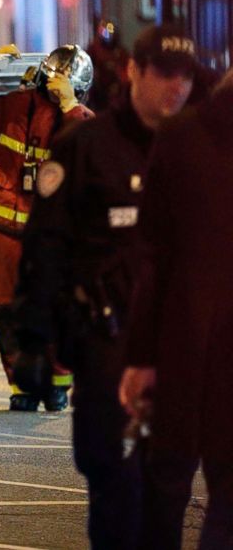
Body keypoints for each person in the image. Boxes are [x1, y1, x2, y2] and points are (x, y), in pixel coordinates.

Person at [12, 25, 198, 549]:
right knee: (115, 487)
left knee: (169, 491)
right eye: (164, 74)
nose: (176, 88)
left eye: (184, 77)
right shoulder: (87, 148)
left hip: (180, 351)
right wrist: (33, 338)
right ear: (133, 71)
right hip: (105, 340)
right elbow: (46, 245)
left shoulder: (199, 148)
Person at [119, 73, 233, 549]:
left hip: (190, 348)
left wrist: (142, 358)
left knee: (167, 487)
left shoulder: (183, 136)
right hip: (196, 347)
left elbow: (156, 259)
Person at [0, 44, 95, 411]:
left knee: (58, 307)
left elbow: (88, 147)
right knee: (4, 308)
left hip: (54, 237)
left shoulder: (80, 119)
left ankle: (59, 383)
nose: (52, 88)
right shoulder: (17, 104)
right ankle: (22, 385)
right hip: (6, 230)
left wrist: (67, 105)